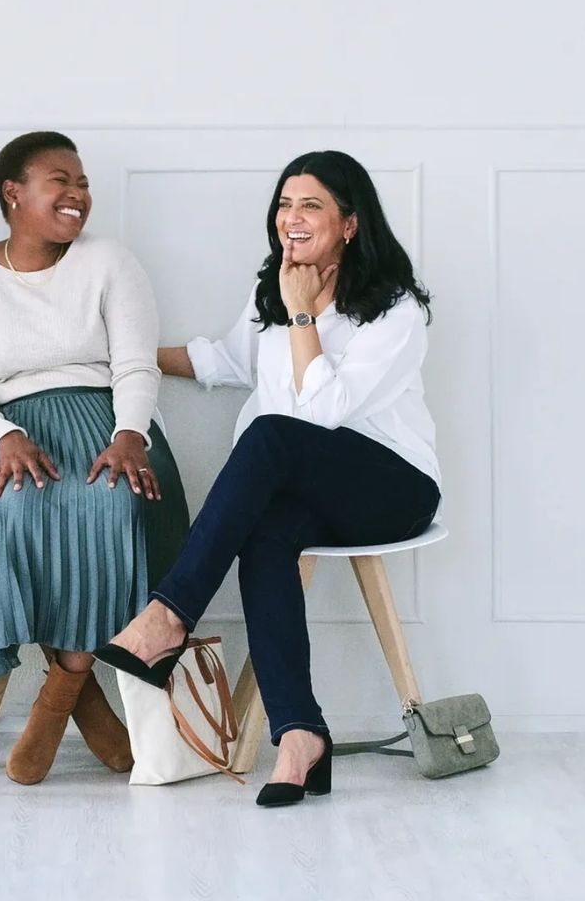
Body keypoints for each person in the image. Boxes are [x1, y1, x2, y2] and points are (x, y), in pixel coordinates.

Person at [97, 150, 440, 807]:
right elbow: (222, 360)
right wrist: (120, 358)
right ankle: (300, 735)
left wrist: (303, 314)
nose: (291, 217)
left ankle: (168, 616)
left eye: (310, 204)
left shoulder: (395, 312)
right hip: (307, 490)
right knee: (265, 531)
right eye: (284, 204)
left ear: (350, 223)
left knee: (269, 432)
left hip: (393, 488)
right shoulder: (276, 291)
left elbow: (324, 411)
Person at [0, 131, 191, 785]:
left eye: (83, 183)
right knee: (17, 505)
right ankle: (84, 695)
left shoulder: (111, 261)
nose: (77, 195)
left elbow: (135, 364)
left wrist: (129, 435)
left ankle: (64, 686)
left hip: (109, 422)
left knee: (115, 501)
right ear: (13, 193)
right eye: (60, 181)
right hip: (6, 432)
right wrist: (2, 438)